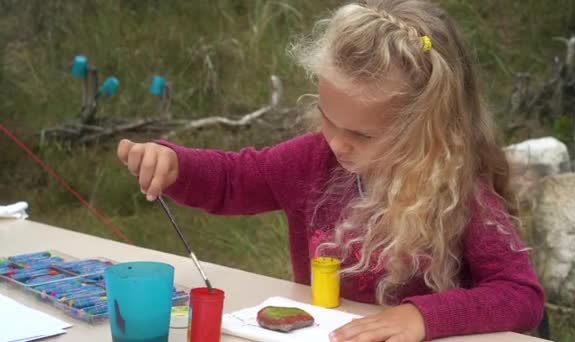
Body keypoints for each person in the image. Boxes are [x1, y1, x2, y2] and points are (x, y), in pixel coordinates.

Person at [116, 0, 545, 340]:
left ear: (425, 128)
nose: (337, 142)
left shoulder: (455, 189)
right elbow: (234, 181)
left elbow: (520, 295)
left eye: (362, 134)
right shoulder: (313, 160)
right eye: (327, 117)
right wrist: (175, 165)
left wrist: (422, 317)